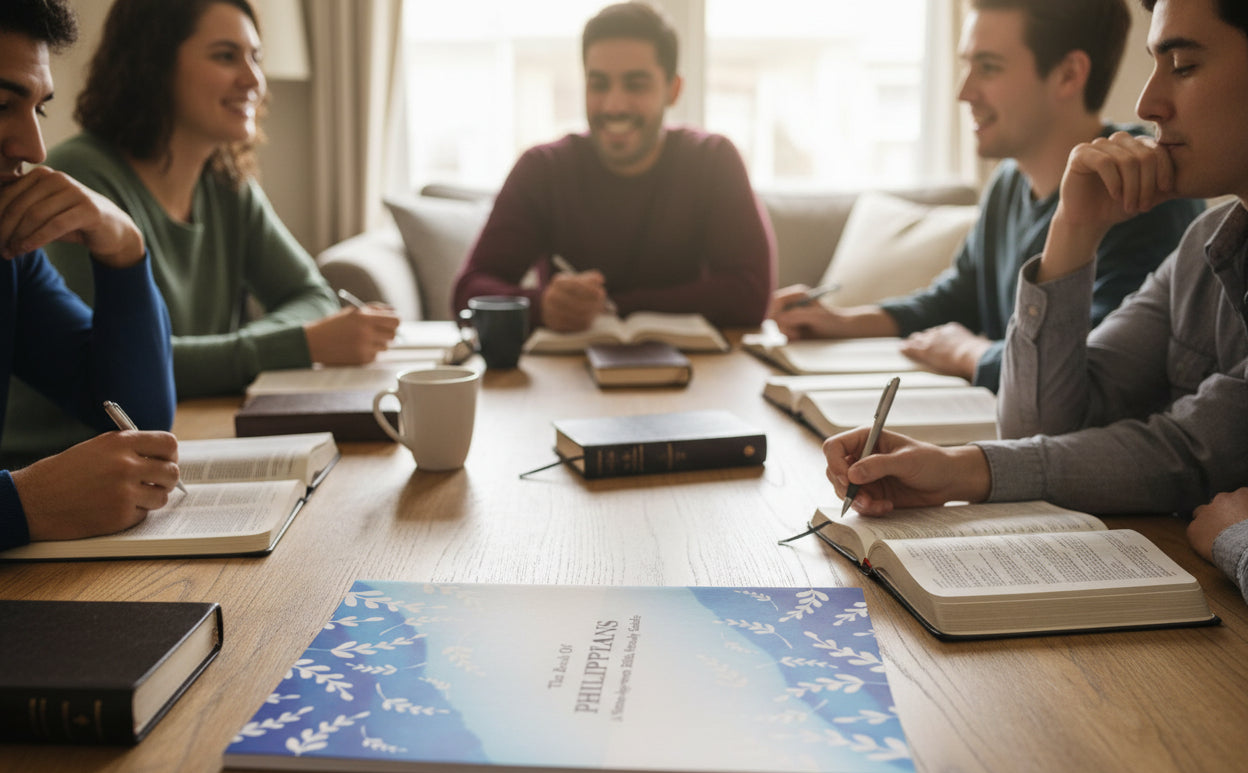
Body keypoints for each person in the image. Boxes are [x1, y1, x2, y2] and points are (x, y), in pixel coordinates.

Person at [823, 0, 1248, 602]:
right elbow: (1037, 423)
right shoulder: (1206, 242)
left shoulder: (1171, 220)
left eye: (1181, 64)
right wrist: (1073, 230)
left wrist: (966, 467)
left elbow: (1191, 451)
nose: (1146, 104)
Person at [2, 0, 400, 458]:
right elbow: (115, 374)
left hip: (163, 441)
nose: (253, 79)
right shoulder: (81, 180)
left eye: (256, 56)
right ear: (153, 64)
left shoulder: (226, 183)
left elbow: (312, 297)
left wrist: (130, 249)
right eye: (226, 56)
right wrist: (294, 344)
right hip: (66, 459)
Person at [770, 0, 1203, 392]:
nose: (964, 92)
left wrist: (968, 353)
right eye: (967, 65)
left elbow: (1094, 377)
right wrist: (842, 322)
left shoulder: (1140, 188)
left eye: (989, 67)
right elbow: (956, 298)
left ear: (1069, 74)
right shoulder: (1008, 183)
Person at [451, 1, 775, 333]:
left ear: (672, 90)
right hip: (566, 376)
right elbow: (468, 290)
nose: (614, 105)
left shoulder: (714, 159)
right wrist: (542, 305)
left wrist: (613, 306)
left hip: (696, 373)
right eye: (599, 84)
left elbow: (750, 294)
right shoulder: (541, 169)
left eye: (636, 85)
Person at [0, 0, 179, 551]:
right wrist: (24, 504)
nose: (33, 149)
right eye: (1, 105)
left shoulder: (9, 254)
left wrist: (124, 246)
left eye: (38, 110)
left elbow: (137, 419)